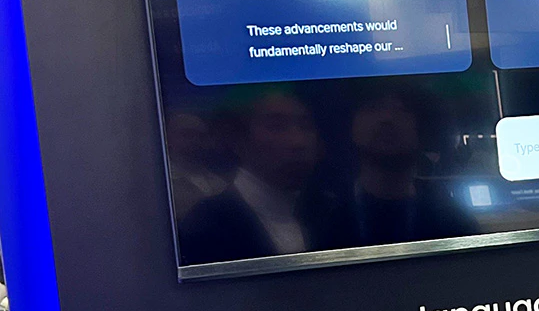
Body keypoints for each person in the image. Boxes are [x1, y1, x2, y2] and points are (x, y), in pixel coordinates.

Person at [179, 89, 338, 264]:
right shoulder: (204, 225)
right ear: (237, 138)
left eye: (306, 126)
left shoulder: (332, 211)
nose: (298, 141)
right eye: (276, 126)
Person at [335, 89, 470, 247]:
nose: (386, 118)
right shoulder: (323, 214)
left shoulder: (452, 219)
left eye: (402, 109)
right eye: (373, 107)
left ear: (423, 125)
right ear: (350, 123)